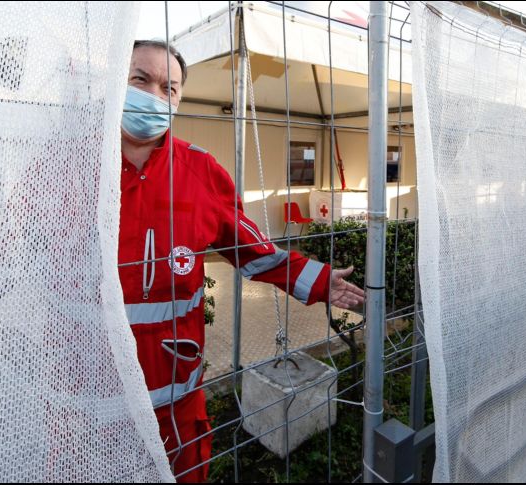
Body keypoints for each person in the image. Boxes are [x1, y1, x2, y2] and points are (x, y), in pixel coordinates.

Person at [118, 40, 366, 483]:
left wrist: (320, 281)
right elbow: (10, 249)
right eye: (141, 80)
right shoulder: (72, 167)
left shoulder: (198, 170)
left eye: (169, 88)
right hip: (93, 390)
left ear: (179, 99)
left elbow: (253, 251)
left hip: (175, 386)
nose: (154, 96)